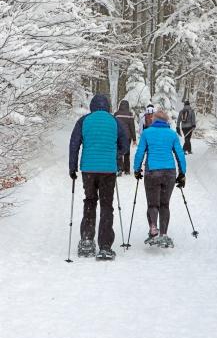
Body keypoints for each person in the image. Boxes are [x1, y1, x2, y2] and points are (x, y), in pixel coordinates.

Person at [69, 94, 128, 260]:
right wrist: (115, 154)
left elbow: (74, 144)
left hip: (88, 169)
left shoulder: (84, 121)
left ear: (92, 106)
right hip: (108, 170)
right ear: (108, 106)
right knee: (107, 205)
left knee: (90, 201)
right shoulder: (115, 121)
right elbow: (125, 143)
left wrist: (72, 167)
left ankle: (87, 241)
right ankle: (105, 246)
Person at [134, 110, 186, 248]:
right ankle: (163, 234)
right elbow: (179, 154)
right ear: (167, 121)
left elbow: (140, 152)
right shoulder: (172, 134)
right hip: (169, 172)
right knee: (164, 204)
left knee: (152, 204)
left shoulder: (147, 133)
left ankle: (153, 229)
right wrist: (182, 173)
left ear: (154, 120)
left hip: (152, 172)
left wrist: (136, 169)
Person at [114, 100, 136, 176]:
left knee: (119, 152)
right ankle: (127, 170)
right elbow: (132, 127)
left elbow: (114, 125)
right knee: (127, 152)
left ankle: (119, 168)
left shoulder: (116, 114)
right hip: (127, 136)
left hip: (118, 136)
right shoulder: (130, 115)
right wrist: (134, 139)